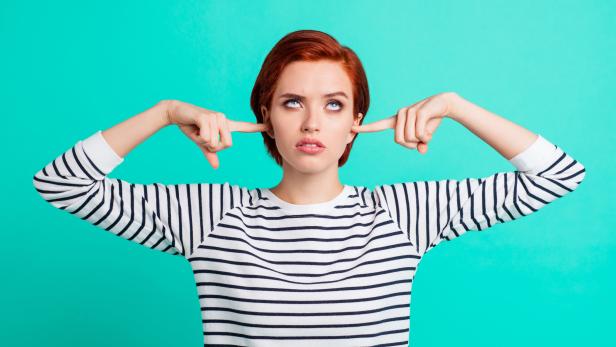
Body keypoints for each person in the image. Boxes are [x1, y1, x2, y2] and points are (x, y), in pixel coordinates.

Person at [32, 29, 586, 346]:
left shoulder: (404, 214)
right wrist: (165, 112)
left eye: (334, 105)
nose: (312, 123)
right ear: (266, 117)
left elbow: (558, 174)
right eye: (292, 103)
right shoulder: (212, 216)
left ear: (356, 122)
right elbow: (61, 183)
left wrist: (456, 106)